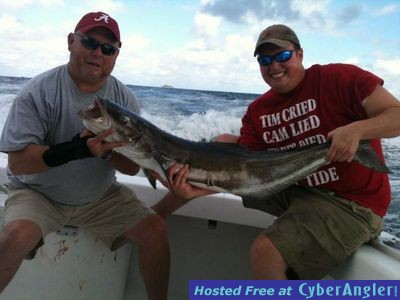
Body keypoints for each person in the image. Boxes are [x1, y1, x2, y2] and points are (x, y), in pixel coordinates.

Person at [152, 24, 400, 279]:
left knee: (265, 251)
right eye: (265, 60)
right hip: (296, 188)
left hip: (353, 203)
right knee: (224, 142)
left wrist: (357, 130)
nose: (274, 66)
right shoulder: (258, 111)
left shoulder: (340, 78)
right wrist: (193, 190)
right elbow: (243, 172)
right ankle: (156, 216)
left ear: (300, 55)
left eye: (283, 56)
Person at [0, 12, 169, 299]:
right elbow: (18, 162)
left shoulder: (125, 100)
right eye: (89, 42)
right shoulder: (38, 92)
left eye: (107, 49)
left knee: (154, 229)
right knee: (14, 236)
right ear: (71, 42)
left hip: (99, 197)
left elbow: (129, 169)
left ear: (116, 55)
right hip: (39, 194)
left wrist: (107, 154)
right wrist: (79, 149)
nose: (97, 53)